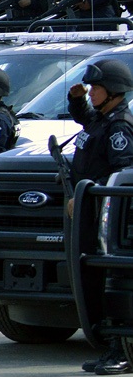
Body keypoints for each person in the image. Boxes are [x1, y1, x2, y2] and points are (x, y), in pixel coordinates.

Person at [70, 59, 133, 374]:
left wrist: (92, 196)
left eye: (95, 87)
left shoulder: (120, 126)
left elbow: (122, 173)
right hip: (89, 210)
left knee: (112, 282)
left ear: (113, 90)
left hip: (106, 214)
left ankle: (120, 350)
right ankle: (109, 344)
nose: (91, 92)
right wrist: (76, 100)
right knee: (93, 280)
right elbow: (87, 123)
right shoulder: (101, 118)